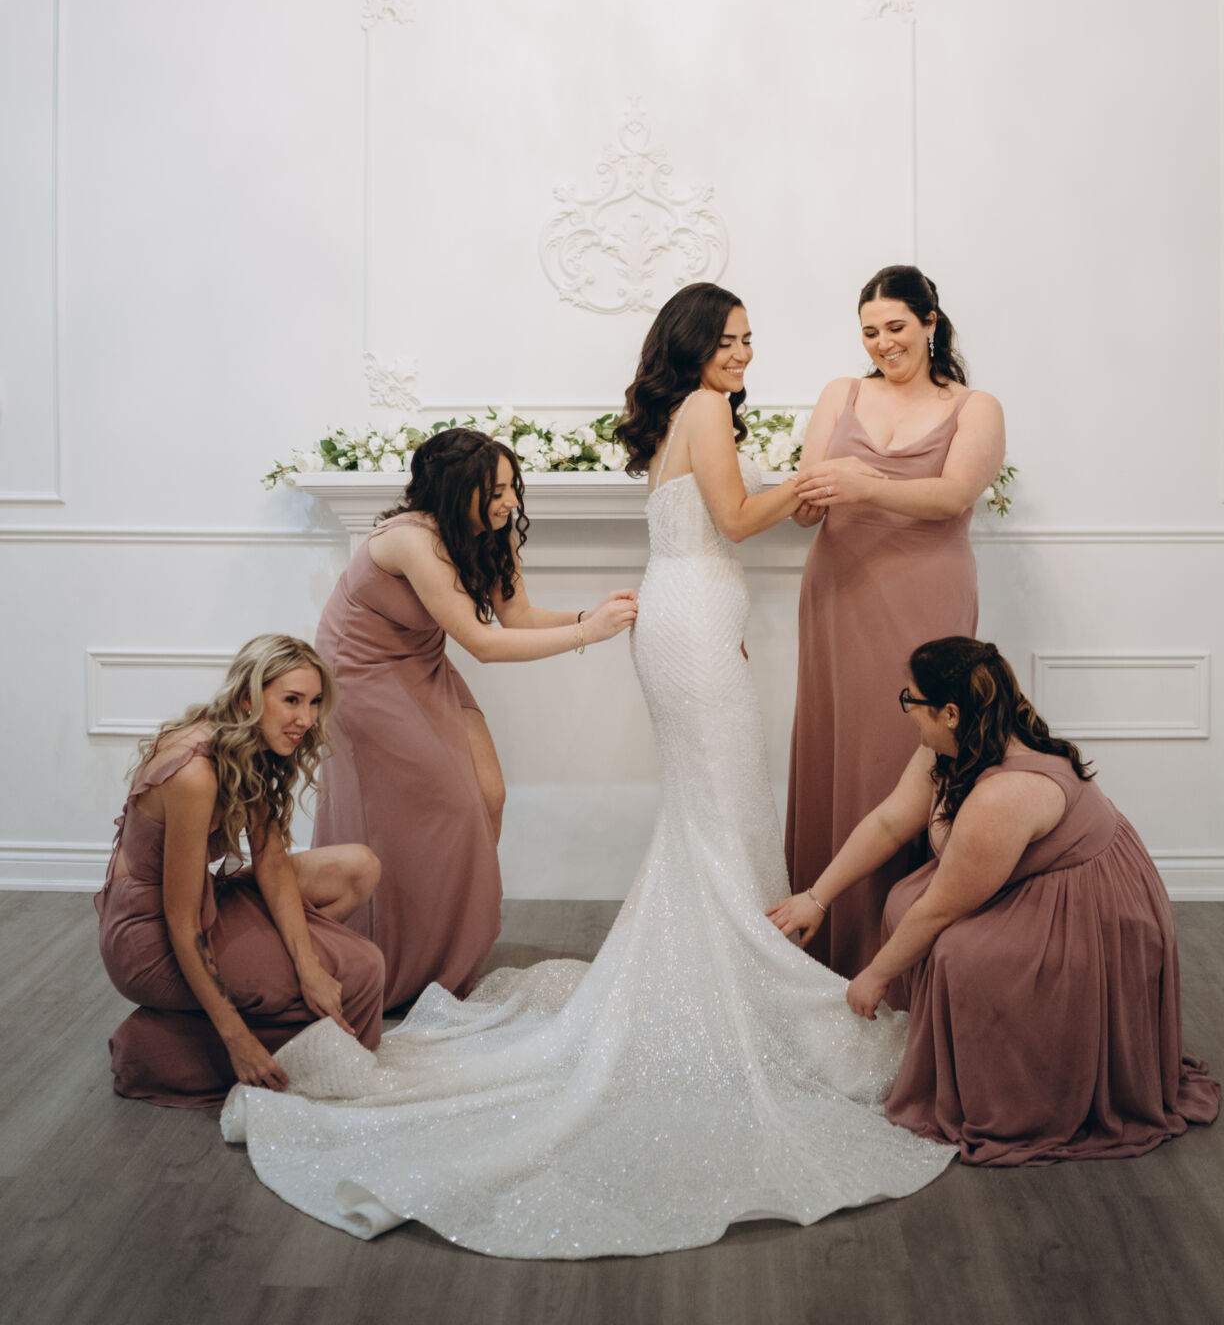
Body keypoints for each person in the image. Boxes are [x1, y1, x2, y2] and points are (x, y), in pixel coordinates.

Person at [221, 284, 955, 1256]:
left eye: (749, 340)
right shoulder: (704, 409)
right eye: (729, 340)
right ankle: (738, 991)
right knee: (721, 808)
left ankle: (731, 975)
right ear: (694, 345)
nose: (743, 355)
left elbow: (700, 536)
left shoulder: (684, 414)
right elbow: (736, 519)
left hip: (691, 622)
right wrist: (820, 482)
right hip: (689, 624)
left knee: (716, 810)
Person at [768, 637, 1221, 1165]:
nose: (907, 710)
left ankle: (1014, 1093)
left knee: (960, 952)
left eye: (912, 700)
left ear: (951, 712)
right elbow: (891, 822)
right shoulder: (950, 744)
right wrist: (817, 898)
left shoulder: (1006, 793)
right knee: (904, 901)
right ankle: (957, 1061)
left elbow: (941, 909)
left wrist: (875, 975)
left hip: (1090, 907)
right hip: (1031, 875)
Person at [311, 426, 638, 1009]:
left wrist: (590, 615)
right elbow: (483, 645)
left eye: (513, 488)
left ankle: (449, 952)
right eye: (496, 492)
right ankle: (388, 958)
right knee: (435, 810)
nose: (511, 502)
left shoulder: (490, 533)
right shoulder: (411, 539)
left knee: (488, 796)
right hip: (359, 675)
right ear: (455, 490)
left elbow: (518, 619)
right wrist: (589, 634)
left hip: (421, 662)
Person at [786, 263, 1005, 977]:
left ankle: (902, 954)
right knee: (842, 747)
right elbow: (810, 494)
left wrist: (864, 483)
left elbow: (953, 495)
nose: (883, 343)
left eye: (896, 327)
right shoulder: (841, 394)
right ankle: (823, 940)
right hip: (839, 592)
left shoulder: (975, 407)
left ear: (930, 323)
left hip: (926, 592)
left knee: (907, 749)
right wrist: (808, 500)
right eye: (870, 332)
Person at [96, 634, 385, 1108]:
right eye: (291, 700)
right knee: (359, 969)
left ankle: (249, 996)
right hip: (149, 937)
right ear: (249, 698)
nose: (306, 719)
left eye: (314, 702)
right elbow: (182, 922)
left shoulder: (244, 742)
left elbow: (271, 861)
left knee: (359, 872)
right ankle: (156, 1046)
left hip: (204, 899)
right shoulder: (195, 774)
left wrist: (308, 965)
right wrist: (238, 1039)